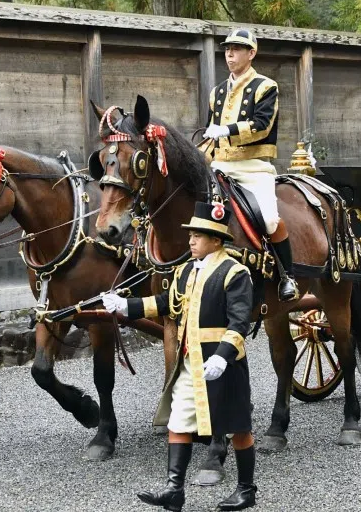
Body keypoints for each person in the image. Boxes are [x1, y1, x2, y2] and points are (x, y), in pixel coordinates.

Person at [103, 201, 257, 511]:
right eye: (191, 235)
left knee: (237, 426)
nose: (190, 240)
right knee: (178, 421)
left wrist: (223, 356)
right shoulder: (185, 270)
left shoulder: (235, 272)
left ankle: (246, 490)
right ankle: (174, 490)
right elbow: (165, 302)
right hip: (190, 363)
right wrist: (125, 306)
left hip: (222, 364)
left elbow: (240, 321)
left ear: (216, 239)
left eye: (198, 235)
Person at [201, 28, 299, 302]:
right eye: (227, 48)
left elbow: (261, 126)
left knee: (269, 219)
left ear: (251, 53)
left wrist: (227, 130)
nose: (230, 53)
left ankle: (287, 275)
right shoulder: (217, 92)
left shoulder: (266, 87)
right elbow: (210, 134)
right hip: (219, 165)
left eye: (237, 48)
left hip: (253, 167)